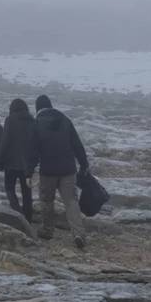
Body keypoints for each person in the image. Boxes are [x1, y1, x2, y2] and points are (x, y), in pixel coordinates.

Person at [32, 94, 91, 249]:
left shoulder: (37, 122)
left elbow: (33, 149)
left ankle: (47, 230)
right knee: (71, 202)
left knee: (47, 201)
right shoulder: (65, 120)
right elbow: (77, 144)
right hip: (68, 169)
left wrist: (30, 168)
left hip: (48, 170)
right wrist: (84, 164)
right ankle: (78, 233)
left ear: (37, 108)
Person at [0, 97, 37, 218]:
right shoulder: (32, 121)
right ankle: (28, 218)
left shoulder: (10, 120)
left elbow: (5, 141)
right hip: (28, 165)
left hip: (11, 162)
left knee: (9, 188)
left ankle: (18, 214)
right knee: (27, 192)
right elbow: (35, 143)